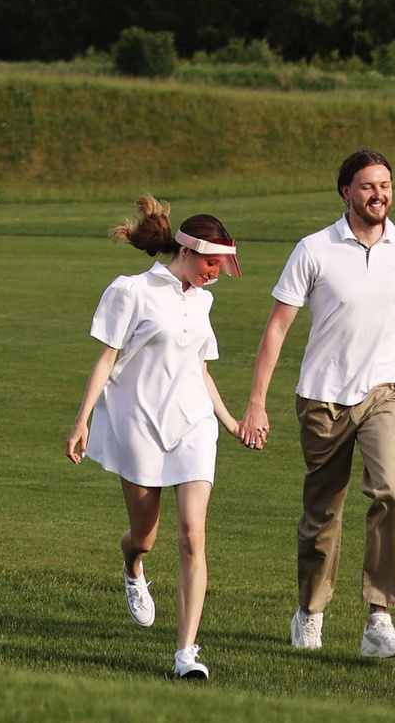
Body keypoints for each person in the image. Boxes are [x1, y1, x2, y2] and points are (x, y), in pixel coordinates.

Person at [239, 149, 395, 660]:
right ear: (346, 191)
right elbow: (278, 327)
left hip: (385, 389)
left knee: (393, 493)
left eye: (385, 185)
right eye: (367, 186)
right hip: (323, 397)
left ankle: (379, 620)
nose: (378, 194)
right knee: (323, 513)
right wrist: (257, 402)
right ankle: (311, 610)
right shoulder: (314, 249)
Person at [66, 196, 246, 681]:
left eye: (222, 266)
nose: (216, 274)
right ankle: (132, 568)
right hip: (137, 424)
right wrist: (83, 420)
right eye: (212, 263)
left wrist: (229, 422)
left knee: (192, 537)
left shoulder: (204, 300)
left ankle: (186, 653)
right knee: (144, 537)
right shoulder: (132, 291)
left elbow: (200, 370)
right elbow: (106, 358)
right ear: (187, 251)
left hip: (192, 426)